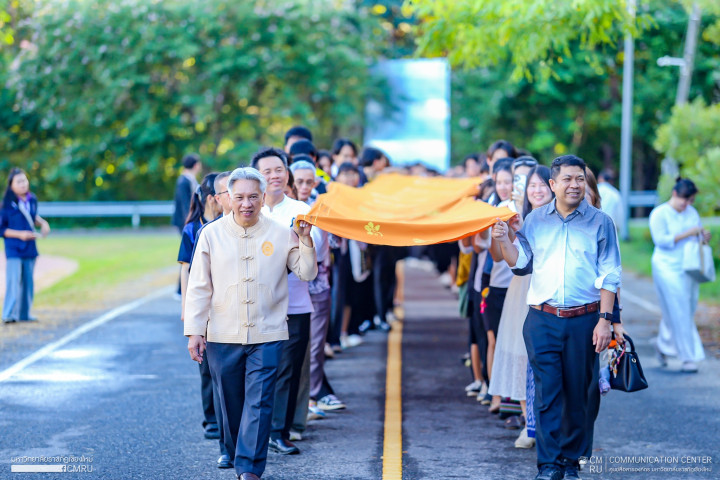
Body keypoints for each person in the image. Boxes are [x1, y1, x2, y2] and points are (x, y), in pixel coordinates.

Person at [492, 155, 624, 480]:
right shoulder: (535, 220)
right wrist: (504, 240)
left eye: (579, 178)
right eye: (567, 179)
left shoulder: (601, 222)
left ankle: (570, 462)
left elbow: (610, 274)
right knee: (547, 393)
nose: (574, 185)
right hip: (543, 319)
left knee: (578, 394)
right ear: (553, 184)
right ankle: (549, 465)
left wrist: (605, 321)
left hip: (585, 320)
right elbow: (521, 263)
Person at [184, 167, 317, 480]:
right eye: (240, 197)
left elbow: (306, 272)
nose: (247, 203)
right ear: (228, 198)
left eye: (254, 197)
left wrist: (305, 239)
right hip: (222, 334)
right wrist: (195, 331)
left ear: (263, 197)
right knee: (231, 403)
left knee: (260, 401)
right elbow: (199, 286)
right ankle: (235, 453)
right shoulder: (211, 234)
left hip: (268, 332)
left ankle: (249, 469)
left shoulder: (280, 232)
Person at [252, 147, 323, 456]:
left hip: (295, 305)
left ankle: (279, 431)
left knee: (288, 370)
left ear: (287, 173)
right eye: (267, 171)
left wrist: (301, 239)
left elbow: (314, 252)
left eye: (279, 170)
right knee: (258, 370)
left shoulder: (302, 209)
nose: (274, 176)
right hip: (255, 306)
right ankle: (254, 431)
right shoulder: (247, 210)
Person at [649, 178, 710, 373]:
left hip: (689, 265)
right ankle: (688, 357)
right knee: (679, 307)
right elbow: (661, 241)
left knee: (683, 309)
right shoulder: (659, 214)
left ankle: (662, 344)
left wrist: (702, 236)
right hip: (666, 266)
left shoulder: (692, 212)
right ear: (675, 194)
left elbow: (696, 236)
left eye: (690, 200)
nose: (687, 204)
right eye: (685, 199)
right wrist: (688, 233)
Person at [1, 168, 51, 323]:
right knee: (13, 281)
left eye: (24, 180)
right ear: (11, 185)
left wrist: (43, 223)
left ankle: (24, 314)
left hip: (30, 247)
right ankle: (8, 314)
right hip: (14, 248)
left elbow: (32, 216)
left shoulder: (32, 199)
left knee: (28, 282)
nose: (23, 184)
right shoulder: (6, 204)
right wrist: (20, 234)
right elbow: (2, 229)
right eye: (19, 182)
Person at [172, 154, 202, 232]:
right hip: (185, 220)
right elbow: (185, 202)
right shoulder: (183, 181)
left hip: (190, 218)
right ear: (195, 165)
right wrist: (188, 221)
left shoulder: (190, 180)